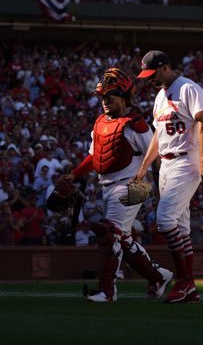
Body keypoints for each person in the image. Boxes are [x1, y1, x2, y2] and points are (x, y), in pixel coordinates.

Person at [65, 67, 173, 302]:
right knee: (122, 239)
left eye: (109, 97)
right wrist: (73, 175)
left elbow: (155, 154)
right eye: (102, 97)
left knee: (108, 233)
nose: (104, 102)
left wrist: (161, 188)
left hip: (130, 186)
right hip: (106, 187)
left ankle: (108, 291)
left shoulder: (136, 125)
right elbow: (94, 158)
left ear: (123, 97)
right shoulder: (100, 123)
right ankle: (158, 276)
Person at [134, 50, 203, 303]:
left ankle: (183, 281)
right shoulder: (160, 97)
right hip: (166, 165)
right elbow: (158, 135)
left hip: (186, 160)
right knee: (180, 227)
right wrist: (145, 166)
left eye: (152, 73)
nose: (149, 79)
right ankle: (189, 287)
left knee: (165, 219)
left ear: (165, 67)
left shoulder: (188, 88)